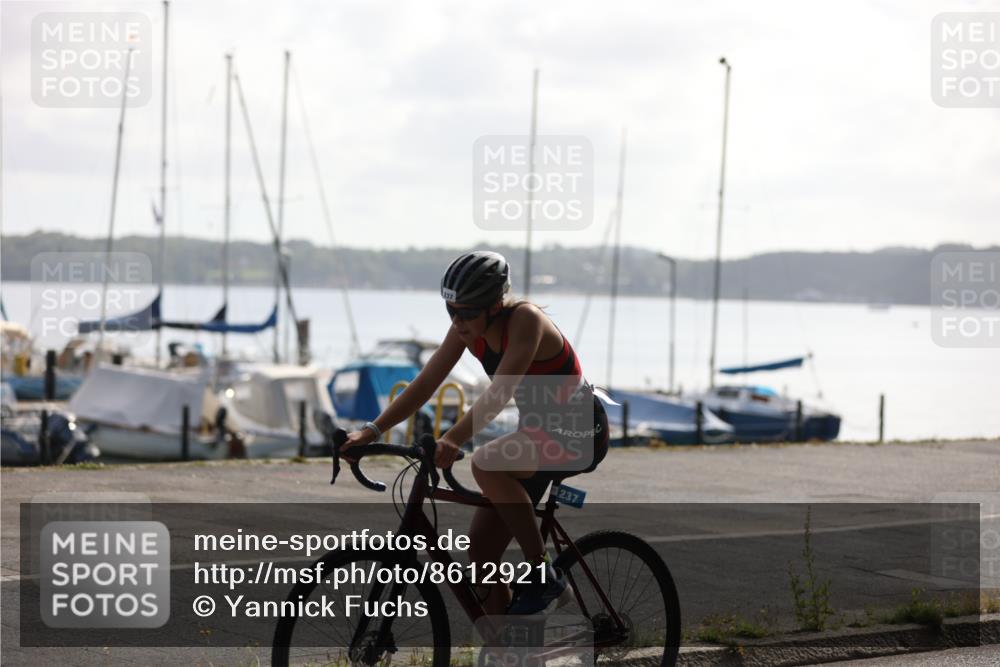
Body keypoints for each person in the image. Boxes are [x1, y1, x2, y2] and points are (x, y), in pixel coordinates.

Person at [341, 250, 609, 615]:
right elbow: (424, 385)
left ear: (495, 305)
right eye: (452, 312)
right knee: (481, 552)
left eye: (468, 312)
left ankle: (542, 573)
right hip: (538, 433)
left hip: (579, 430)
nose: (459, 321)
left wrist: (452, 438)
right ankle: (507, 648)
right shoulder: (467, 331)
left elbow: (499, 392)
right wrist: (370, 431)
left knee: (486, 462)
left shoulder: (526, 320)